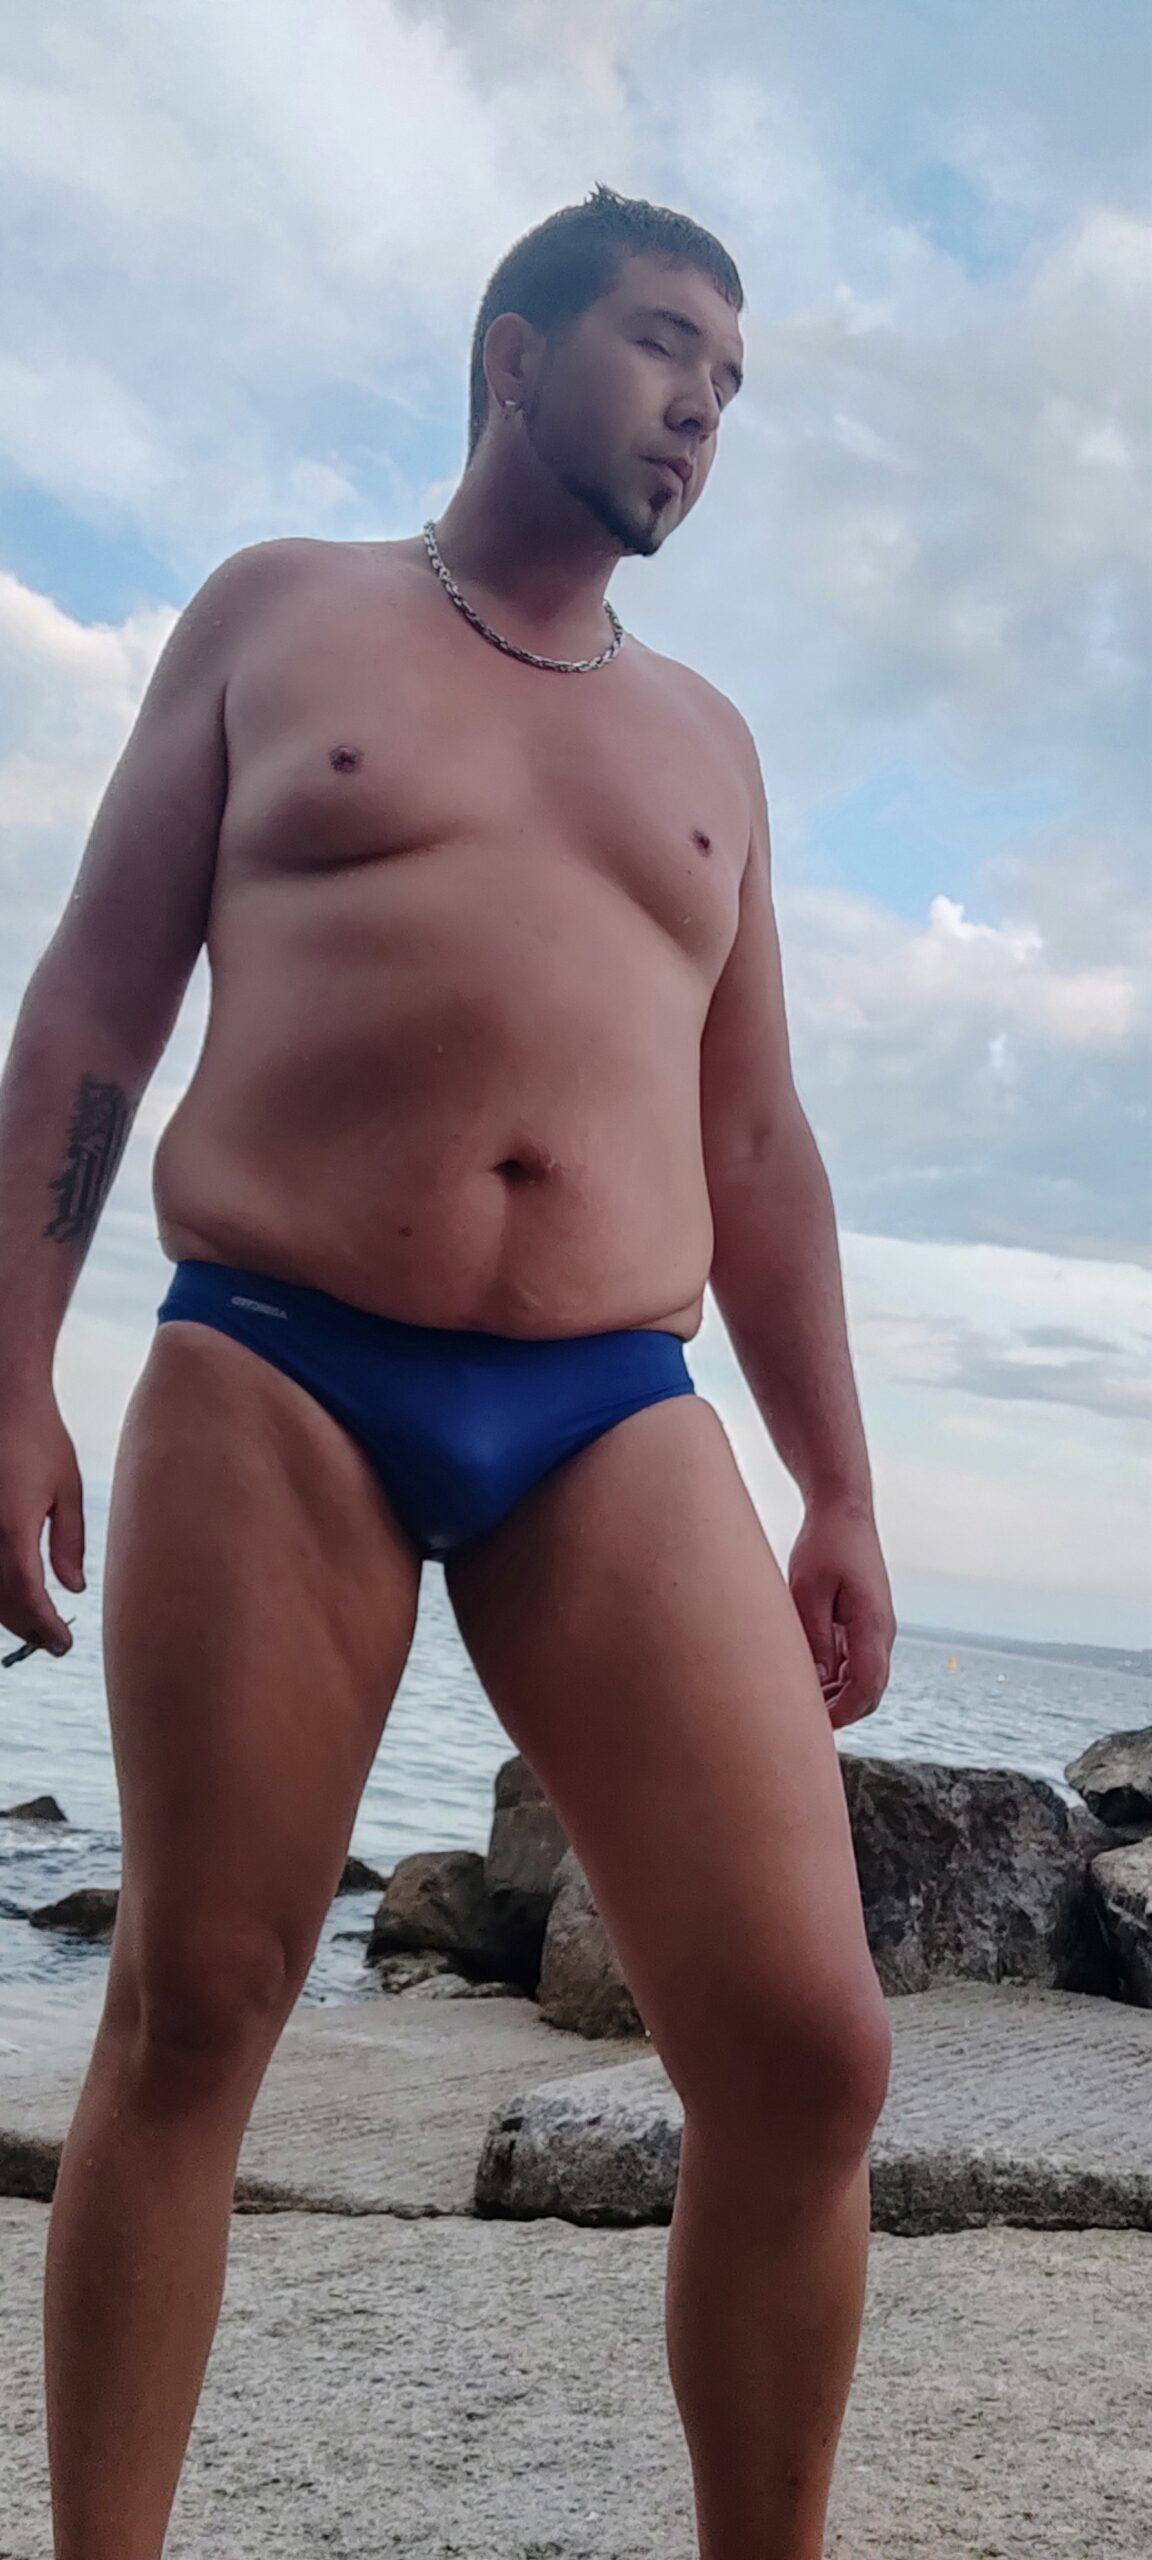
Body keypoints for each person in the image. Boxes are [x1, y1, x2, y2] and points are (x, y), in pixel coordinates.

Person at [0, 182, 896, 2560]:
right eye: (666, 342)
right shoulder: (280, 613)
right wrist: (9, 1370)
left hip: (605, 1401)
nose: (704, 408)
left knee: (811, 2050)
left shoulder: (706, 744)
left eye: (733, 380)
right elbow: (94, 1005)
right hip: (276, 1356)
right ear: (514, 349)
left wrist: (838, 1485)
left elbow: (756, 1141)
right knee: (199, 1998)